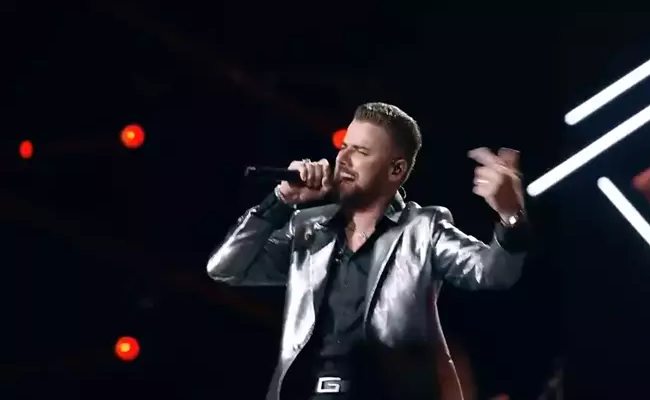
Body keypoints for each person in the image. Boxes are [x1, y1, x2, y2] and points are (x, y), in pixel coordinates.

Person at [207, 102, 530, 400]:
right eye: (344, 148)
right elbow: (225, 268)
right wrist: (280, 201)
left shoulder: (422, 229)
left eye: (360, 151)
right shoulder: (308, 228)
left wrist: (510, 216)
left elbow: (493, 273)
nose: (343, 160)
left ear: (396, 170)